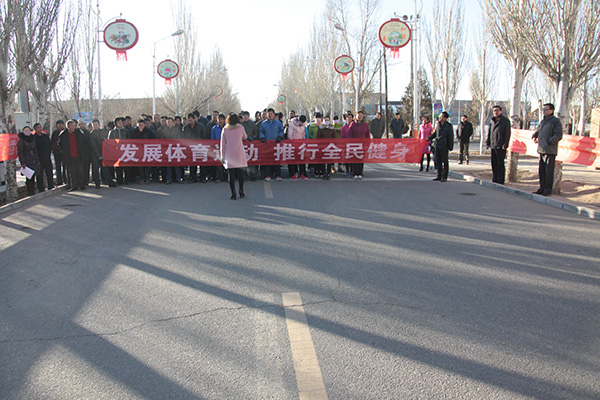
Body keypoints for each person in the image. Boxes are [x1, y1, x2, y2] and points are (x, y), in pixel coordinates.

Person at [532, 103, 563, 196]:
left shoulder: (555, 121)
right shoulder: (543, 121)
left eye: (546, 109)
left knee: (548, 171)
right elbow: (538, 130)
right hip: (541, 149)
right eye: (543, 109)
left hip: (550, 150)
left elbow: (558, 135)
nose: (544, 111)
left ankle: (547, 189)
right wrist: (535, 136)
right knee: (541, 171)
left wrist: (550, 141)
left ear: (551, 110)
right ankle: (542, 187)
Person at [220, 113, 248, 199]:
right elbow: (245, 137)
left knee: (231, 175)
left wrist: (222, 156)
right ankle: (241, 190)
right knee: (241, 174)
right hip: (239, 153)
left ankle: (233, 193)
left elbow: (222, 144)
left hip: (229, 154)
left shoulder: (225, 129)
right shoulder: (240, 128)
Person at [57, 120, 88, 191]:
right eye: (71, 126)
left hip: (79, 155)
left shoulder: (79, 133)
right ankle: (74, 186)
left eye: (74, 126)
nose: (73, 127)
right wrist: (63, 152)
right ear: (68, 127)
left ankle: (82, 185)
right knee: (72, 172)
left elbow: (84, 142)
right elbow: (59, 145)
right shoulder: (63, 135)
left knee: (80, 171)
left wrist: (84, 152)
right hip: (69, 156)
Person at [486, 105, 511, 184]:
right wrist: (488, 142)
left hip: (501, 145)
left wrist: (505, 144)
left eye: (497, 110)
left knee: (500, 163)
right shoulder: (492, 121)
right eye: (494, 111)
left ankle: (500, 180)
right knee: (494, 163)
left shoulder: (505, 121)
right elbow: (490, 132)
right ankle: (495, 178)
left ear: (501, 111)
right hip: (493, 145)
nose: (495, 112)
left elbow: (507, 133)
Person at [259, 108, 284, 181]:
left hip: (276, 145)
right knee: (267, 160)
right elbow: (261, 131)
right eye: (268, 114)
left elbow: (281, 130)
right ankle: (268, 175)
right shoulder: (263, 124)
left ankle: (278, 175)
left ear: (274, 114)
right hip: (267, 145)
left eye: (271, 114)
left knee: (277, 160)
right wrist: (262, 137)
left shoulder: (278, 123)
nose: (270, 115)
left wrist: (280, 136)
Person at [427, 111, 453, 182]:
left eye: (441, 116)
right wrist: (429, 138)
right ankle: (439, 175)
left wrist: (450, 146)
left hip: (444, 146)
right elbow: (435, 133)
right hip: (437, 145)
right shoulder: (438, 124)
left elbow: (450, 136)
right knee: (438, 161)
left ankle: (444, 176)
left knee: (445, 161)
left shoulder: (448, 126)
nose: (439, 117)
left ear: (445, 118)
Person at [89, 119, 115, 188]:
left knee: (105, 169)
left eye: (96, 125)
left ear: (99, 125)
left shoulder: (103, 131)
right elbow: (93, 146)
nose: (95, 126)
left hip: (103, 152)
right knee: (95, 170)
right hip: (95, 154)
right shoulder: (91, 134)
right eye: (94, 125)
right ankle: (97, 184)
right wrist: (98, 155)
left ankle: (110, 182)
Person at [17, 126, 41, 196]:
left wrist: (37, 159)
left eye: (28, 130)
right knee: (29, 177)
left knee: (34, 176)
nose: (27, 131)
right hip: (26, 160)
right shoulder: (21, 140)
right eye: (25, 130)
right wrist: (23, 163)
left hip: (33, 160)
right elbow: (20, 153)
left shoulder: (32, 138)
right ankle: (30, 192)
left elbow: (35, 150)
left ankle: (33, 191)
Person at [349, 110, 371, 180]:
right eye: (358, 115)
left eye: (361, 115)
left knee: (361, 159)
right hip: (355, 145)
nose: (360, 117)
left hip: (363, 145)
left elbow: (367, 135)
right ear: (356, 116)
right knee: (355, 159)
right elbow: (350, 135)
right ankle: (355, 173)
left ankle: (360, 173)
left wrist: (368, 144)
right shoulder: (352, 124)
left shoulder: (365, 125)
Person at [108, 117, 130, 184]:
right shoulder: (112, 132)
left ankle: (127, 180)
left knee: (126, 166)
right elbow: (109, 142)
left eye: (121, 122)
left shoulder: (126, 131)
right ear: (116, 123)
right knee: (118, 166)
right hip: (116, 151)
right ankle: (119, 180)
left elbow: (129, 140)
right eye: (118, 122)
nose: (120, 124)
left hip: (125, 150)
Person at [33, 123, 54, 191]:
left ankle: (51, 186)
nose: (39, 129)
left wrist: (49, 152)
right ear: (35, 129)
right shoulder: (33, 138)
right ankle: (41, 189)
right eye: (38, 127)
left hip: (47, 157)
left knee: (49, 172)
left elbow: (49, 145)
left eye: (40, 127)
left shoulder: (45, 136)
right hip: (39, 158)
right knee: (39, 174)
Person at [287, 115, 308, 180]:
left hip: (300, 145)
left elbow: (303, 134)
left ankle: (302, 174)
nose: (301, 123)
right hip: (293, 144)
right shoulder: (292, 124)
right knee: (293, 160)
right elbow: (290, 135)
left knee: (301, 160)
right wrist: (292, 143)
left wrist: (304, 143)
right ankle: (292, 174)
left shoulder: (303, 125)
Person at [211, 114, 227, 182]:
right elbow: (212, 139)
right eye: (219, 119)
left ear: (224, 120)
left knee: (227, 162)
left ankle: (227, 177)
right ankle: (220, 177)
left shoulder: (227, 127)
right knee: (218, 163)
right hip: (217, 148)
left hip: (226, 147)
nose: (220, 121)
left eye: (222, 119)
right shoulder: (214, 128)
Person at [50, 120, 67, 186]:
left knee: (65, 166)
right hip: (56, 152)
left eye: (61, 124)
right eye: (58, 124)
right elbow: (52, 141)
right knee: (58, 166)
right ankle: (59, 180)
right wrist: (52, 149)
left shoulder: (66, 132)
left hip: (64, 152)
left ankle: (65, 179)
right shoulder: (55, 133)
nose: (60, 125)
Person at [340, 112, 354, 177]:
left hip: (353, 145)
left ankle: (352, 170)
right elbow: (342, 136)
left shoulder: (354, 126)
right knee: (347, 158)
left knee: (353, 158)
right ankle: (348, 171)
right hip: (346, 145)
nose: (348, 119)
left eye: (350, 117)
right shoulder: (344, 127)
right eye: (347, 118)